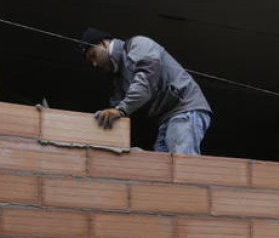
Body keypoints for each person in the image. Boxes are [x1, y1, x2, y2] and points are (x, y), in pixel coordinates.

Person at [80, 28, 213, 156]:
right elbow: (118, 107)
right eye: (90, 61)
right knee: (165, 167)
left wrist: (120, 110)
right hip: (166, 118)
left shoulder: (138, 44)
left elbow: (146, 80)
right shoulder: (119, 76)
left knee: (182, 162)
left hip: (185, 109)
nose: (94, 64)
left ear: (104, 43)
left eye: (93, 56)